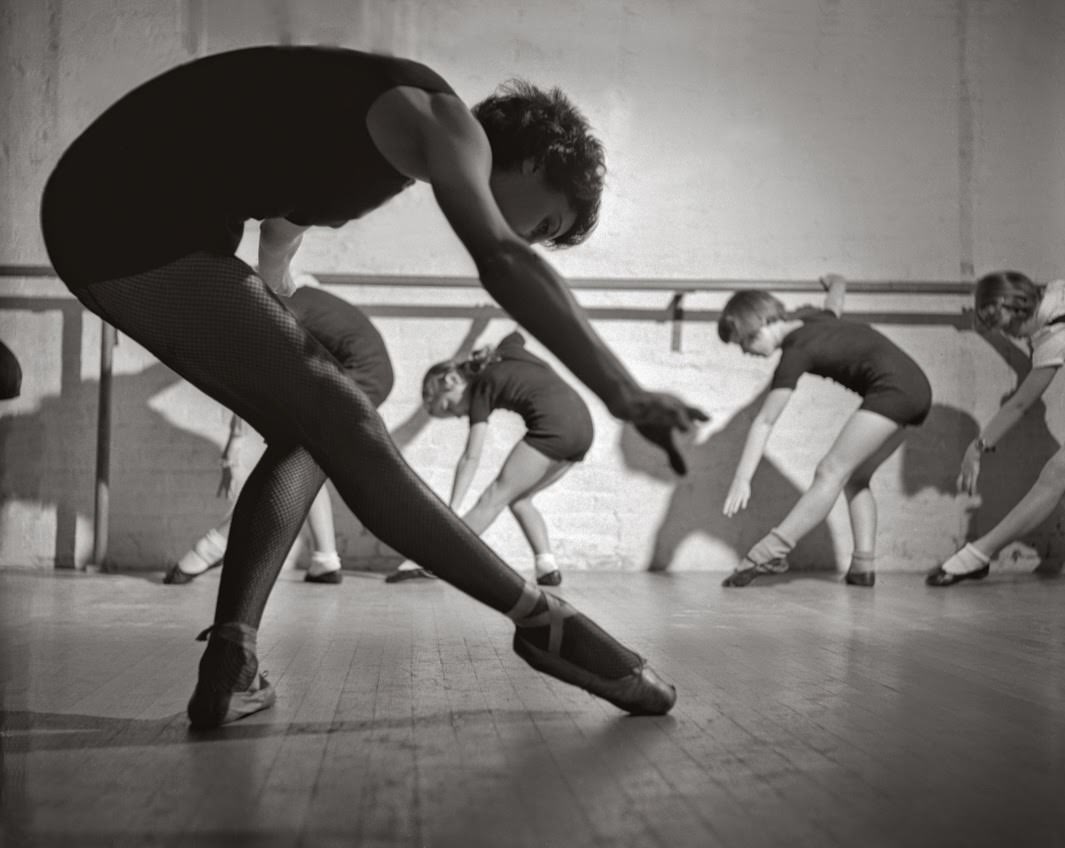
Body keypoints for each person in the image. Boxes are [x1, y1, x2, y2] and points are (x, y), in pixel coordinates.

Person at [41, 45, 705, 728]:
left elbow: (279, 229)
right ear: (538, 159)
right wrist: (622, 393)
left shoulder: (372, 162)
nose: (530, 240)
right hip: (124, 218)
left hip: (116, 226)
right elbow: (501, 261)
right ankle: (542, 620)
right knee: (343, 416)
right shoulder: (435, 115)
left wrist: (268, 303)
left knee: (314, 424)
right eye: (546, 224)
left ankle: (230, 664)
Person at [165, 284, 393, 586]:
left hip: (363, 377)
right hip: (364, 374)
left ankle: (211, 548)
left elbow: (257, 375)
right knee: (307, 456)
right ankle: (324, 560)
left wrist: (233, 447)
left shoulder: (272, 311)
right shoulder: (282, 299)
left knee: (290, 459)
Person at [718, 274, 931, 587]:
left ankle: (769, 552)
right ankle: (863, 566)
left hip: (895, 390)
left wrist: (742, 478)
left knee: (830, 470)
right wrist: (837, 283)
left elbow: (765, 420)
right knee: (854, 477)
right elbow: (834, 304)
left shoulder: (795, 353)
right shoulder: (813, 319)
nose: (745, 351)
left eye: (746, 340)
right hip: (914, 385)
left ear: (763, 321)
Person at [398, 330, 593, 587]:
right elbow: (517, 333)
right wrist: (479, 327)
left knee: (492, 498)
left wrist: (452, 510)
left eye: (447, 407)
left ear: (451, 380)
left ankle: (436, 561)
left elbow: (471, 457)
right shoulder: (505, 351)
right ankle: (547, 567)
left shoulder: (480, 389)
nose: (456, 414)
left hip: (554, 427)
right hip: (584, 429)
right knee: (520, 499)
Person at [928, 271, 1065, 586]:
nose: (1016, 337)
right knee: (1056, 474)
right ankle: (976, 555)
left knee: (1055, 476)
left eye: (1009, 328)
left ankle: (975, 556)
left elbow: (1019, 404)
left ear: (1014, 307)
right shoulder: (1056, 293)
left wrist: (976, 448)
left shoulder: (1053, 338)